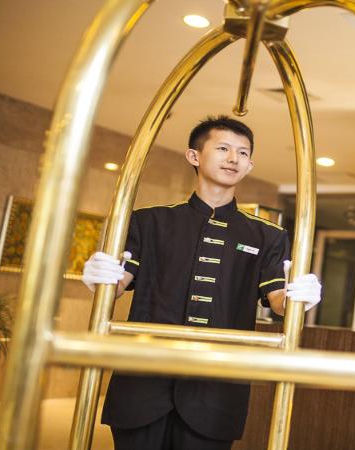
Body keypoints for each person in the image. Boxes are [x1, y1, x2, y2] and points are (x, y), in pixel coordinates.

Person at [81, 115, 322, 450]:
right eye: (223, 148)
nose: (233, 158)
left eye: (242, 153)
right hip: (143, 382)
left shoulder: (267, 235)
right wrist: (100, 276)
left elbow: (278, 300)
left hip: (215, 392)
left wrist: (301, 296)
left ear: (249, 165)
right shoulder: (149, 221)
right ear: (194, 156)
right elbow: (118, 283)